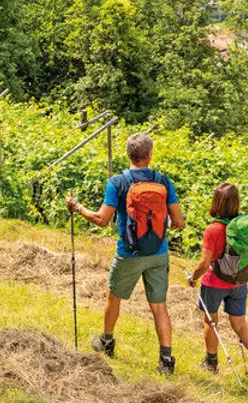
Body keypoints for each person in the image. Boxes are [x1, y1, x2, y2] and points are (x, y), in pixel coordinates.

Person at [66, 132, 186, 376]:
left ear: (128, 154)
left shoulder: (118, 183)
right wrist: (159, 228)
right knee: (159, 306)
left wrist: (77, 208)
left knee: (113, 296)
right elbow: (180, 222)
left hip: (129, 253)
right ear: (149, 155)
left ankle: (107, 342)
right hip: (158, 252)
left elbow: (101, 219)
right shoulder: (164, 182)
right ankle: (165, 359)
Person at [186, 181, 248, 387]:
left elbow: (205, 262)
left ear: (216, 202)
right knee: (240, 325)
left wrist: (193, 277)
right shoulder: (242, 228)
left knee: (211, 321)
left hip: (214, 282)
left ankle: (211, 363)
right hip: (238, 282)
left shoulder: (214, 229)